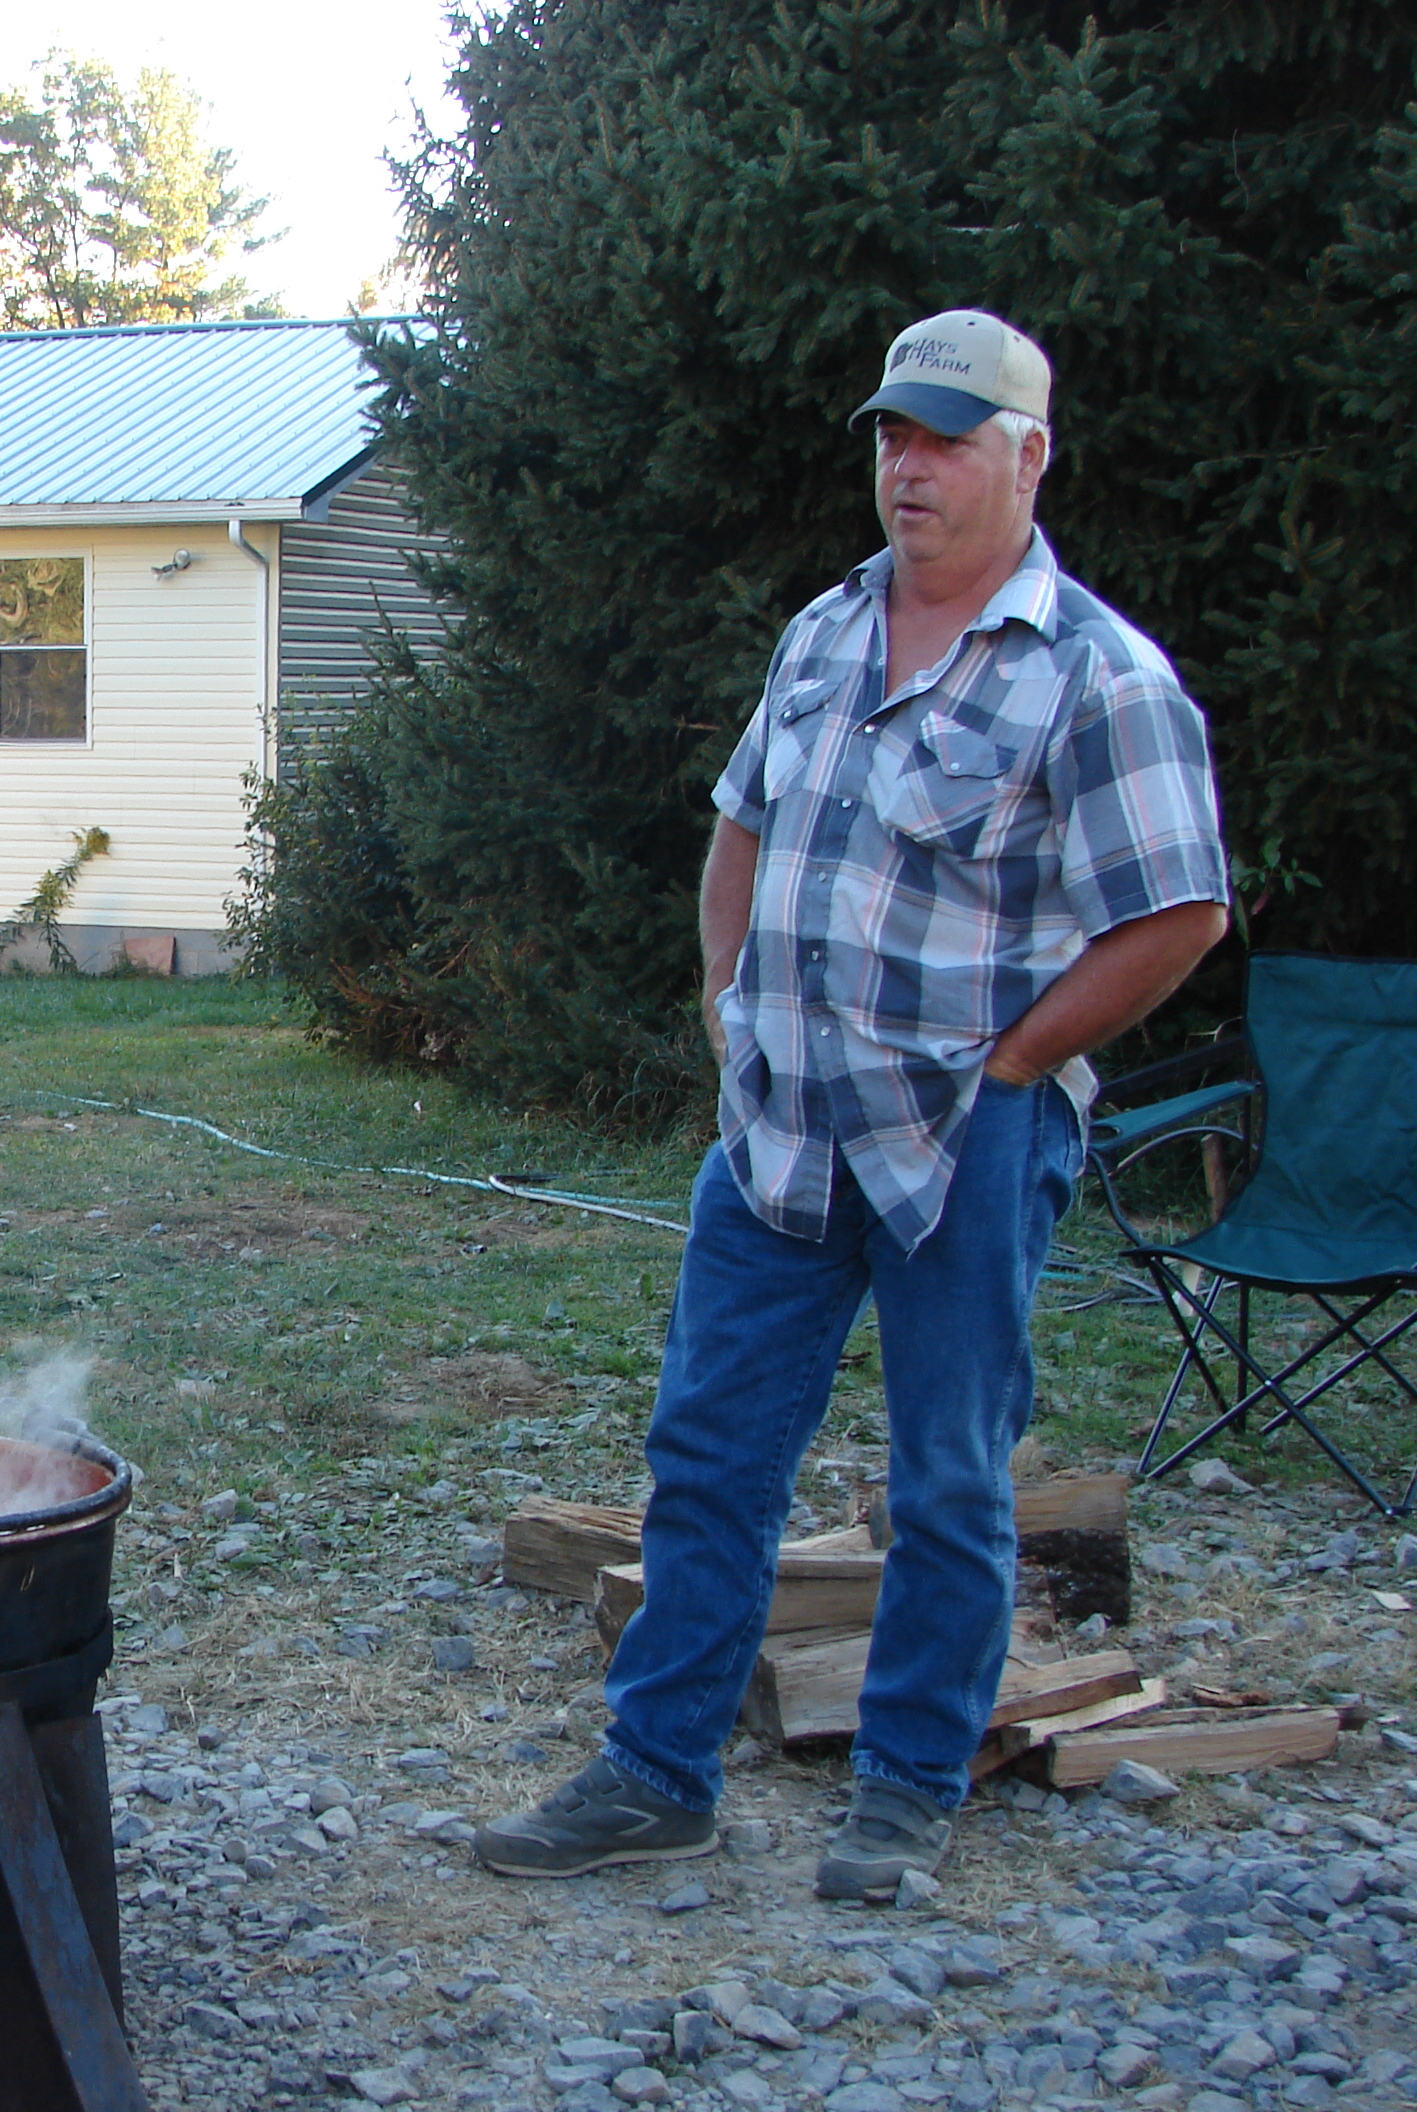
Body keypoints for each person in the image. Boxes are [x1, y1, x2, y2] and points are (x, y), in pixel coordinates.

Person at [478, 312, 1230, 1898]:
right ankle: (655, 1769)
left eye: (949, 438)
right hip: (780, 1128)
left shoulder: (1099, 677)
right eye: (895, 434)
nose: (911, 465)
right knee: (707, 1453)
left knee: (947, 1474)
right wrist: (727, 997)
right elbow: (742, 817)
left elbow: (1178, 913)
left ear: (1028, 456)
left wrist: (1019, 1067)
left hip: (966, 1137)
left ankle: (907, 1782)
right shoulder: (825, 630)